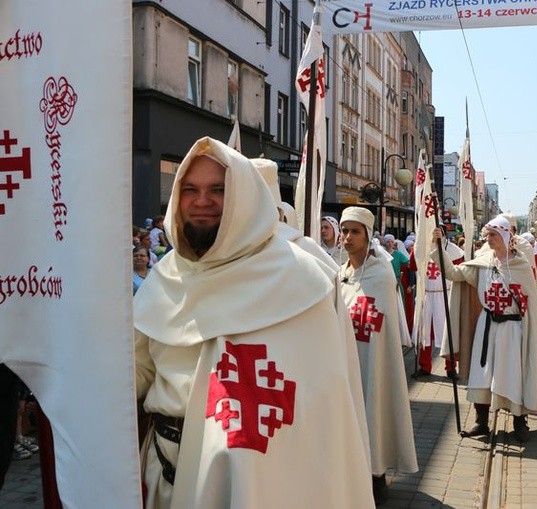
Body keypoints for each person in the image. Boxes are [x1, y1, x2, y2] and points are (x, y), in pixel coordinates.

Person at [133, 137, 374, 508]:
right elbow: (132, 376)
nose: (201, 201)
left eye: (218, 189)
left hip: (264, 481)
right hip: (166, 474)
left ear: (245, 198)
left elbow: (327, 403)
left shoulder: (302, 280)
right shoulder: (162, 279)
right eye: (190, 189)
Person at [431, 216, 537, 442]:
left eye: (493, 235)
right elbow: (453, 274)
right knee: (482, 373)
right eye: (487, 235)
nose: (488, 239)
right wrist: (438, 247)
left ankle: (519, 421)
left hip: (513, 328)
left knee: (514, 373)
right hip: (487, 325)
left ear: (505, 236)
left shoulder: (521, 265)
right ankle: (481, 422)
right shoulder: (483, 264)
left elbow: (530, 303)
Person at [338, 207, 418, 505]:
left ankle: (376, 476)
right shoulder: (341, 272)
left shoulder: (381, 274)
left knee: (374, 411)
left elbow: (378, 325)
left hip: (372, 359)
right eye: (344, 230)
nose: (347, 237)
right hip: (345, 359)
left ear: (367, 235)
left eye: (354, 231)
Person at [414, 232, 464, 378]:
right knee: (425, 332)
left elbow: (458, 271)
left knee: (448, 332)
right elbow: (412, 265)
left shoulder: (453, 250)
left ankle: (450, 368)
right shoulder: (422, 248)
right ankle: (425, 366)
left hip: (444, 294)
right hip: (427, 294)